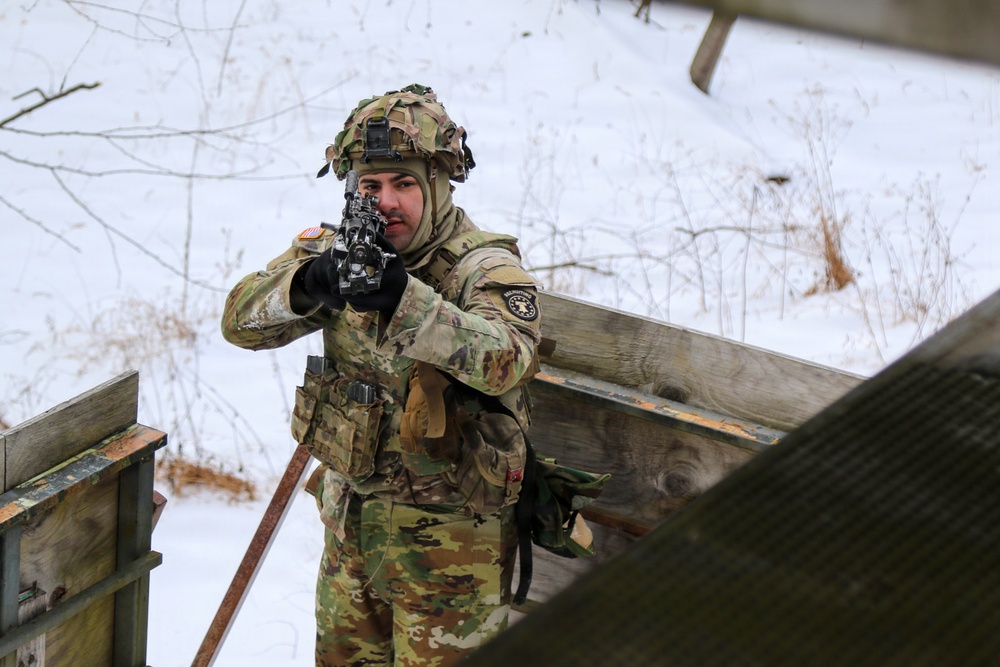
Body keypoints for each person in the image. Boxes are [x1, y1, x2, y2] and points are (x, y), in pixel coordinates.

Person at [221, 84, 542, 666]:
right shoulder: (340, 251)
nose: (386, 202)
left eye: (405, 185)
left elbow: (508, 359)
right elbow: (239, 322)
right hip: (352, 530)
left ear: (439, 187)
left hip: (453, 550)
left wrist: (404, 300)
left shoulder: (482, 266)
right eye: (371, 186)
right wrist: (308, 284)